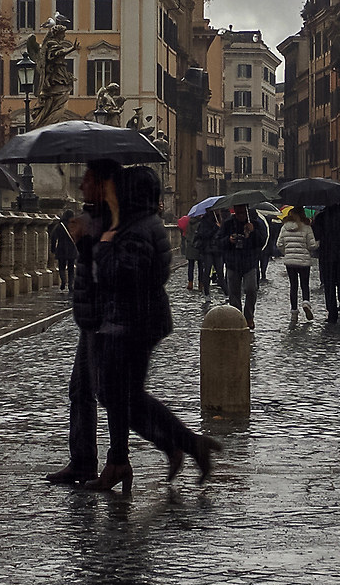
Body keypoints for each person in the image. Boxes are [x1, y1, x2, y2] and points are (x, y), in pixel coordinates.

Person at [85, 164, 216, 492]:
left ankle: (180, 445)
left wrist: (100, 245)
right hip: (134, 320)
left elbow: (123, 274)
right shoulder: (142, 223)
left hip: (132, 321)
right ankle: (172, 448)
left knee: (120, 395)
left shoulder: (138, 228)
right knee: (119, 395)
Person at [47, 159, 122, 485]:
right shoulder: (93, 216)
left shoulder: (115, 218)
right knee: (80, 390)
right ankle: (83, 461)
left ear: (102, 184)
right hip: (91, 315)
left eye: (87, 180)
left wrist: (87, 238)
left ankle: (117, 461)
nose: (80, 185)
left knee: (108, 392)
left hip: (107, 317)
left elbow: (113, 264)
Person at [218, 205, 268, 323]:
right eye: (238, 212)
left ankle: (249, 315)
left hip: (250, 262)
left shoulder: (255, 223)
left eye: (242, 212)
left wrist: (253, 231)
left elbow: (262, 241)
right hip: (233, 262)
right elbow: (218, 241)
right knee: (234, 293)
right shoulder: (228, 223)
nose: (240, 215)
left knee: (251, 289)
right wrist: (229, 240)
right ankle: (237, 318)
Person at [275, 207, 317, 320]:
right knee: (304, 284)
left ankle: (294, 310)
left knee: (293, 286)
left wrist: (287, 252)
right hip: (304, 261)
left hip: (290, 261)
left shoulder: (284, 227)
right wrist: (318, 243)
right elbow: (312, 246)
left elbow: (279, 244)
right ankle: (306, 302)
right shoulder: (307, 228)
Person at [189, 209, 221, 297]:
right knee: (206, 271)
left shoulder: (220, 220)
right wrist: (216, 228)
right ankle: (205, 292)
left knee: (220, 273)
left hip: (218, 251)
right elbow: (204, 235)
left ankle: (226, 293)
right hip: (207, 250)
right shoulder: (204, 223)